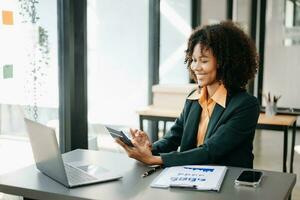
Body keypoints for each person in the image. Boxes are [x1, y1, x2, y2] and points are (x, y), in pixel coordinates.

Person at [116, 21, 260, 168]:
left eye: (204, 61)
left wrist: (154, 160)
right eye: (194, 60)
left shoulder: (246, 105)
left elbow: (210, 151)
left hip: (227, 184)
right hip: (191, 180)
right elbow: (173, 138)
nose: (196, 67)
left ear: (224, 62)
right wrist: (147, 149)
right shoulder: (194, 98)